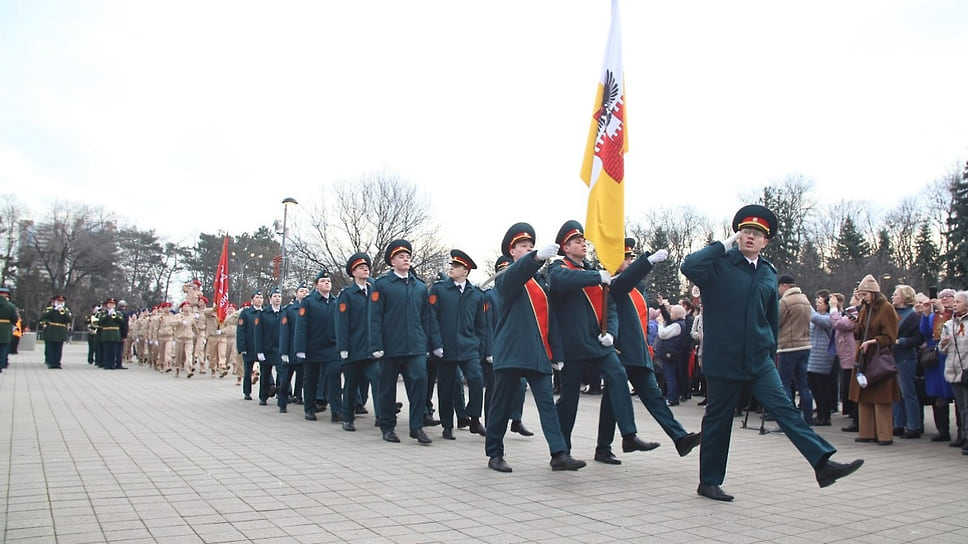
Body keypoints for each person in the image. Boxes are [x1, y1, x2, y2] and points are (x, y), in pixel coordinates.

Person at [680, 204, 862, 501]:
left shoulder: (768, 273)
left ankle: (822, 463)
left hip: (758, 359)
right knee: (718, 420)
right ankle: (709, 481)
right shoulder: (719, 265)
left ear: (766, 241)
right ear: (737, 236)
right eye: (745, 232)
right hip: (724, 358)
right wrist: (719, 246)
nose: (749, 237)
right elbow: (689, 266)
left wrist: (769, 350)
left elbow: (770, 318)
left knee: (785, 409)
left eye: (757, 234)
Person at [548, 220, 658, 460]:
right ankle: (560, 452)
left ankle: (629, 435)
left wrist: (611, 333)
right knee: (569, 401)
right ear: (565, 247)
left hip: (597, 342)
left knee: (618, 375)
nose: (583, 244)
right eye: (577, 241)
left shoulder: (593, 271)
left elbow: (611, 307)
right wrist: (597, 276)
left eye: (583, 240)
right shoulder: (559, 267)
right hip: (572, 345)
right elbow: (561, 281)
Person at [484, 222, 585, 472]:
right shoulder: (507, 276)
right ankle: (495, 453)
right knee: (501, 405)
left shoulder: (540, 282)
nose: (528, 248)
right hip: (512, 351)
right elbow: (516, 276)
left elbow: (550, 319)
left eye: (531, 246)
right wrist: (537, 257)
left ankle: (559, 453)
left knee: (547, 405)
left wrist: (556, 352)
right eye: (523, 246)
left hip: (539, 352)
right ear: (512, 251)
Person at [600, 243, 702, 464]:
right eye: (626, 259)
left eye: (631, 259)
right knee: (614, 398)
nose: (629, 263)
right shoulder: (613, 284)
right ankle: (607, 446)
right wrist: (648, 261)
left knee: (649, 398)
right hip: (620, 351)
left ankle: (680, 438)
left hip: (638, 352)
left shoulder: (638, 289)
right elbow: (623, 283)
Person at [369, 239, 441, 444]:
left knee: (419, 385)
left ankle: (416, 426)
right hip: (390, 347)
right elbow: (374, 317)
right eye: (401, 256)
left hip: (415, 346)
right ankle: (387, 426)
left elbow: (427, 317)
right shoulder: (382, 285)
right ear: (392, 261)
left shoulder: (419, 286)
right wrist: (376, 345)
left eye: (408, 256)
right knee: (387, 388)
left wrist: (430, 344)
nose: (406, 259)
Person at [429, 249, 487, 440]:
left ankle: (475, 418)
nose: (452, 268)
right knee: (446, 387)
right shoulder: (439, 289)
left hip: (468, 347)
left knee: (477, 379)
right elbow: (432, 318)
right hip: (445, 348)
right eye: (452, 265)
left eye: (457, 266)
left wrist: (481, 346)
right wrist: (436, 344)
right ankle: (447, 425)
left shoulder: (476, 294)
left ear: (466, 271)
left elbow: (481, 324)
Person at [481, 256, 533, 437]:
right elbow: (487, 324)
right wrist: (489, 351)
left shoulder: (517, 294)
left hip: (514, 347)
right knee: (494, 387)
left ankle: (516, 419)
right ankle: (489, 423)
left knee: (520, 384)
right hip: (495, 348)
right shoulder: (490, 296)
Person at [848, 274, 902, 445]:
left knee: (881, 398)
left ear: (873, 293)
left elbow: (891, 336)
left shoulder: (886, 308)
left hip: (879, 357)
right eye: (861, 294)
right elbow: (860, 331)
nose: (862, 298)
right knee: (864, 396)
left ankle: (884, 434)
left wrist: (874, 341)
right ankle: (867, 432)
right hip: (864, 356)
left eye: (865, 294)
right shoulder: (865, 309)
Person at [337, 253, 380, 431]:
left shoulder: (374, 292)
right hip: (353, 348)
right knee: (351, 384)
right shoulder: (347, 294)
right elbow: (342, 323)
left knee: (378, 381)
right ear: (353, 272)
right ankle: (348, 417)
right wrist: (343, 347)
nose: (365, 269)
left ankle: (382, 416)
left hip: (371, 348)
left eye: (366, 267)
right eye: (360, 268)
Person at [296, 270, 341, 421]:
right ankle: (309, 408)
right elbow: (301, 326)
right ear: (316, 285)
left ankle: (336, 411)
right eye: (322, 281)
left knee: (334, 377)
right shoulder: (309, 302)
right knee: (310, 379)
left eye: (328, 281)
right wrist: (300, 348)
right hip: (313, 347)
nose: (326, 283)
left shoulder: (335, 302)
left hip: (331, 347)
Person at [920, 289, 958, 444]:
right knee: (938, 395)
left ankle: (962, 431)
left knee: (956, 395)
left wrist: (942, 312)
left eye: (946, 297)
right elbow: (925, 331)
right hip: (935, 358)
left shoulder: (955, 315)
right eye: (940, 297)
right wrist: (926, 313)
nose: (943, 300)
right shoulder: (934, 316)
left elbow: (947, 328)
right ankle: (942, 431)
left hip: (950, 357)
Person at [777, 274, 814, 425]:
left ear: (784, 286)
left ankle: (789, 420)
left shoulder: (785, 302)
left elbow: (775, 321)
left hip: (788, 347)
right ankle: (808, 418)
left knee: (784, 383)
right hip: (805, 346)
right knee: (803, 385)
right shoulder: (805, 300)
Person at [892, 284, 925, 438]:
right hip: (892, 357)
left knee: (908, 393)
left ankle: (913, 426)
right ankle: (898, 424)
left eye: (896, 294)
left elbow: (918, 338)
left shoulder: (912, 316)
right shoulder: (892, 313)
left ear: (905, 297)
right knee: (896, 393)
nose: (893, 296)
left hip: (905, 358)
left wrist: (902, 341)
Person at [938, 290, 968, 456]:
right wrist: (943, 343)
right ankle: (962, 435)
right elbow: (942, 350)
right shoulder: (949, 324)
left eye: (958, 301)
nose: (955, 304)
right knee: (961, 406)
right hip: (954, 369)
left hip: (966, 368)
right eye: (954, 302)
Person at [829, 292, 860, 431]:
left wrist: (834, 307)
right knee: (847, 387)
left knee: (851, 387)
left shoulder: (855, 314)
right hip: (846, 356)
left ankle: (856, 418)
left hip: (851, 356)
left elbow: (838, 323)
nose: (853, 296)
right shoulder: (850, 312)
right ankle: (854, 416)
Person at [654, 299, 691, 407]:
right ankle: (672, 396)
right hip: (670, 352)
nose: (670, 314)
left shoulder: (677, 325)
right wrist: (662, 306)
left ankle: (672, 398)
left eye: (672, 312)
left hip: (670, 353)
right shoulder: (677, 323)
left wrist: (660, 324)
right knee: (670, 376)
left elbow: (663, 334)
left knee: (670, 377)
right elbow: (667, 317)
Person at [807, 290, 835, 426]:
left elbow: (817, 319)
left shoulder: (830, 317)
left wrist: (806, 305)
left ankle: (825, 416)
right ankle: (819, 414)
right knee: (814, 386)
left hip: (823, 356)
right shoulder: (817, 315)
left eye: (819, 302)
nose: (817, 305)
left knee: (822, 386)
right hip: (813, 355)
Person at [236, 291, 265, 401]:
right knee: (248, 370)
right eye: (257, 297)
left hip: (262, 347)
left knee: (265, 370)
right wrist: (242, 347)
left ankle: (264, 392)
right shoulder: (246, 313)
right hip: (250, 346)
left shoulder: (265, 312)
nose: (259, 299)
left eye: (261, 297)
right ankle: (247, 392)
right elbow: (241, 331)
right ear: (252, 300)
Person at [40, 295, 72, 369]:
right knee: (50, 348)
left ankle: (57, 363)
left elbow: (69, 320)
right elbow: (44, 317)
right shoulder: (50, 309)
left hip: (61, 331)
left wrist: (64, 312)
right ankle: (51, 362)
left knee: (58, 348)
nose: (60, 303)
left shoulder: (66, 310)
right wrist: (54, 310)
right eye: (58, 301)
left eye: (61, 301)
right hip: (51, 330)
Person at [97, 298, 127, 370]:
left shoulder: (118, 313)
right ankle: (107, 364)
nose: (111, 305)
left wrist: (115, 315)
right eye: (110, 304)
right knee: (107, 350)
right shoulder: (103, 313)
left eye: (113, 304)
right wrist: (108, 315)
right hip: (106, 333)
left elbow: (121, 321)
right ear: (107, 305)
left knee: (114, 350)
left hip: (115, 333)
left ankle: (112, 364)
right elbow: (100, 321)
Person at [0, 287, 19, 371]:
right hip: (6, 328)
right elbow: (15, 318)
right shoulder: (11, 306)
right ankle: (1, 364)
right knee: (3, 348)